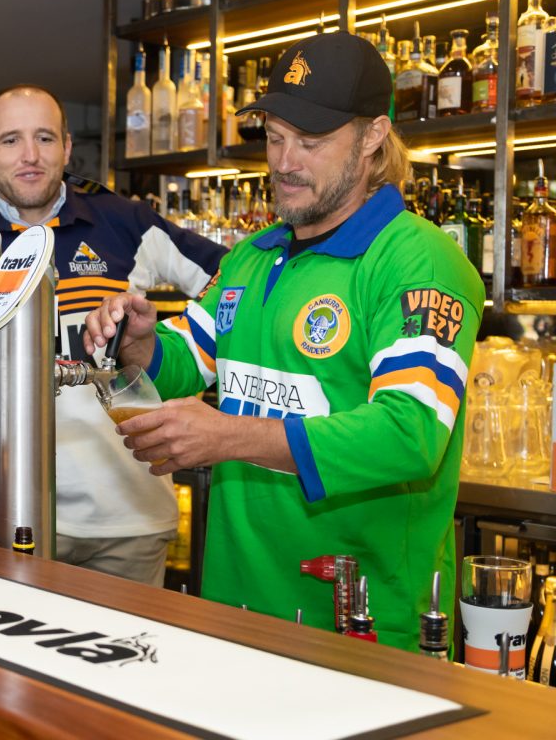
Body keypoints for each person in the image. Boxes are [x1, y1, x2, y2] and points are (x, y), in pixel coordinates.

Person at [83, 32, 483, 650]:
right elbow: (190, 355)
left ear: (374, 136)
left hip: (363, 623)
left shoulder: (418, 261)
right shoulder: (251, 256)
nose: (284, 161)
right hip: (233, 609)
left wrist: (227, 436)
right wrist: (138, 343)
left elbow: (411, 435)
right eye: (274, 137)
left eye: (312, 142)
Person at [0, 85, 225, 586]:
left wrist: (173, 344)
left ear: (67, 147)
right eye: (10, 141)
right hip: (1, 515)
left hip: (127, 520)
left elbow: (240, 280)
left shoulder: (125, 221)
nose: (30, 155)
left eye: (44, 138)